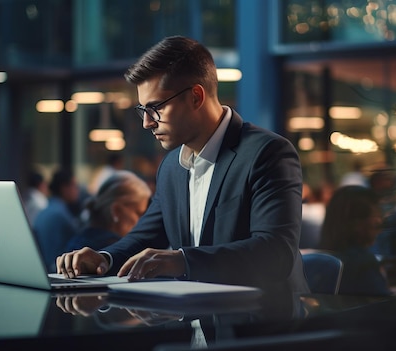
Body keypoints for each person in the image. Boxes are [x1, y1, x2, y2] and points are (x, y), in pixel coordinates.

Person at [57, 36, 310, 295]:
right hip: (192, 322)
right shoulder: (171, 168)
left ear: (196, 97)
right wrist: (103, 259)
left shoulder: (267, 153)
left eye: (155, 108)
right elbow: (143, 238)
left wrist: (182, 260)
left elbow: (274, 254)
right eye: (142, 109)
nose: (147, 122)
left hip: (258, 328)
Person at [317, 185, 391, 296]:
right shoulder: (363, 263)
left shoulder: (321, 259)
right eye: (376, 218)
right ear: (356, 224)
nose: (380, 224)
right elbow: (384, 305)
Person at [65, 170, 152, 251]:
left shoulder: (78, 239)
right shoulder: (116, 250)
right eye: (139, 213)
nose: (141, 221)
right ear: (116, 211)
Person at [34, 168, 81, 272]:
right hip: (57, 272)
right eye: (75, 185)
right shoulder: (60, 215)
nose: (77, 190)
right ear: (64, 188)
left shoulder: (44, 212)